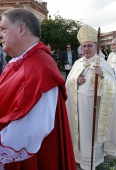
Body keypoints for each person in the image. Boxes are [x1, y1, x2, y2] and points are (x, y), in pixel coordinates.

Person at [0, 8, 76, 170]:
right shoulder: (18, 60)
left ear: (21, 29)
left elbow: (32, 128)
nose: (1, 35)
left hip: (32, 157)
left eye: (3, 29)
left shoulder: (41, 66)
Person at [66, 24, 116, 170]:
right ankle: (79, 156)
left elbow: (112, 88)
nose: (87, 49)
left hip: (96, 108)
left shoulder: (102, 63)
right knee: (81, 133)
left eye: (89, 46)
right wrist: (74, 81)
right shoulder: (77, 64)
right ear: (81, 48)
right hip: (78, 109)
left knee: (91, 134)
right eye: (84, 46)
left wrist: (102, 75)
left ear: (96, 47)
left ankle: (93, 160)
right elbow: (68, 84)